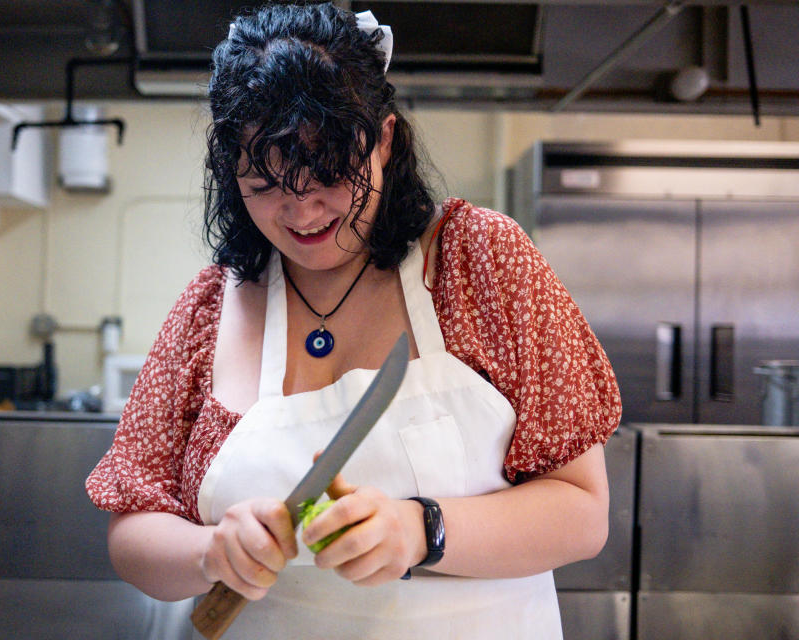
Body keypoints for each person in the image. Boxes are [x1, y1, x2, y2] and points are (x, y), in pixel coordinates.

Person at [86, 4, 621, 638]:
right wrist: (208, 554)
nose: (302, 208)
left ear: (385, 139)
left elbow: (582, 512)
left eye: (329, 172)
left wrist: (421, 530)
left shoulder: (479, 261)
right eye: (267, 180)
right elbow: (133, 530)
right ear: (231, 168)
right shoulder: (211, 306)